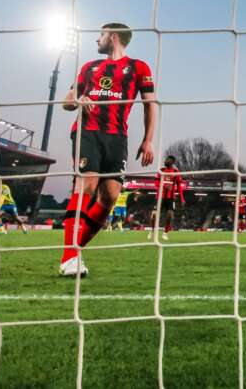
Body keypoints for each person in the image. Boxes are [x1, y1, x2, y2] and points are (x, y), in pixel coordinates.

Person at [59, 22, 157, 277]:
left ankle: (75, 250)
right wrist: (80, 99)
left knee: (110, 196)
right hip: (87, 131)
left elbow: (150, 105)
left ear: (113, 37)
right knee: (86, 186)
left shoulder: (139, 67)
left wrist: (148, 140)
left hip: (117, 138)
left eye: (100, 35)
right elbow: (66, 101)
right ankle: (69, 257)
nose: (97, 40)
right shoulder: (89, 67)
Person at [156, 155, 185, 240]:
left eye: (169, 159)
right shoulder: (161, 171)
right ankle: (153, 230)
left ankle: (165, 232)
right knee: (154, 215)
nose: (166, 160)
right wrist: (164, 186)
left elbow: (179, 186)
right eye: (166, 159)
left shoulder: (176, 172)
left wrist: (182, 198)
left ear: (172, 162)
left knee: (170, 215)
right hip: (160, 197)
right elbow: (156, 183)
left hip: (170, 198)